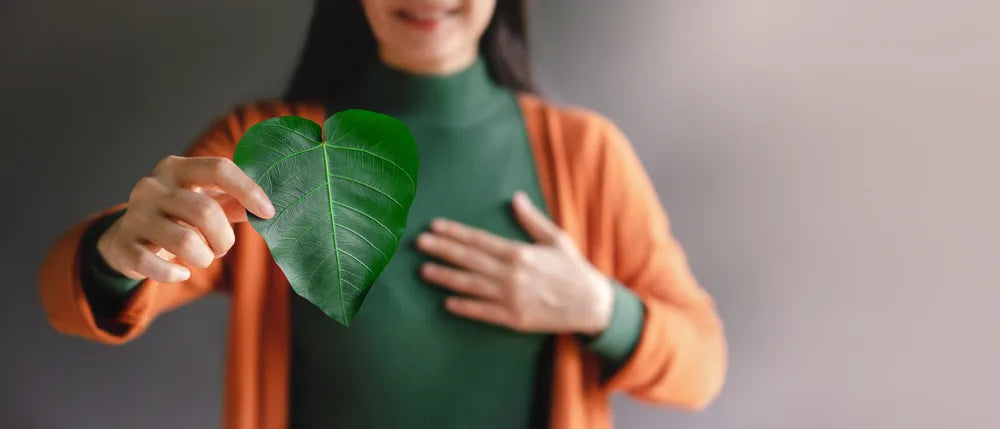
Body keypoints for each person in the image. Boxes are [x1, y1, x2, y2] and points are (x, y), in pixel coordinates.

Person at [38, 1, 727, 428]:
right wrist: (121, 251)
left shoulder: (587, 155)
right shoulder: (266, 143)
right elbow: (72, 298)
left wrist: (600, 306)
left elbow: (701, 366)